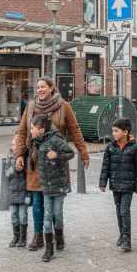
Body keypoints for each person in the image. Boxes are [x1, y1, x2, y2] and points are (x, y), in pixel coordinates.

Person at [14, 77, 89, 253]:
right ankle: (38, 236)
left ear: (51, 88)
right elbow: (22, 131)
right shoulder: (31, 106)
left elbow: (75, 130)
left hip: (55, 161)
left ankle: (57, 235)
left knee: (54, 203)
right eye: (38, 87)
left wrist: (83, 153)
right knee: (37, 201)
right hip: (35, 161)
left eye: (43, 87)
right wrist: (19, 154)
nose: (39, 90)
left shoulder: (64, 106)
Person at [31, 114, 74, 262]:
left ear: (41, 129)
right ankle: (49, 249)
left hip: (59, 185)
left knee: (57, 214)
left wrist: (57, 155)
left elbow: (70, 153)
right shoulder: (37, 142)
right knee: (48, 216)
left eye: (33, 128)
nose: (31, 130)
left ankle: (59, 237)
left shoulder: (56, 139)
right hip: (46, 186)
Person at [99, 118, 137, 252]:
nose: (113, 133)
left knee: (124, 211)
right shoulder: (110, 147)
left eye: (116, 131)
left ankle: (127, 240)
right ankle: (121, 235)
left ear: (125, 132)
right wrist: (103, 183)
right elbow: (105, 166)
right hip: (115, 184)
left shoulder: (135, 148)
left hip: (128, 185)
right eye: (113, 131)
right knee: (119, 211)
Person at [5, 135, 29, 248]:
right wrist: (14, 168)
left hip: (23, 191)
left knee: (23, 215)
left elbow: (29, 173)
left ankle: (23, 238)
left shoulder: (25, 157)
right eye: (12, 144)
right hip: (13, 191)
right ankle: (16, 236)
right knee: (14, 215)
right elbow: (7, 173)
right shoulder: (9, 157)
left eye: (16, 144)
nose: (13, 146)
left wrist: (23, 168)